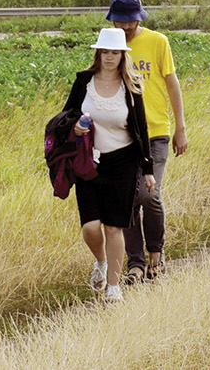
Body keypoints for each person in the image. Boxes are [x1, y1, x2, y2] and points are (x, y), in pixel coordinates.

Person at [63, 27, 155, 304]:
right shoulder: (83, 82)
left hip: (123, 162)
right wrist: (75, 126)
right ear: (98, 53)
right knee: (90, 227)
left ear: (123, 55)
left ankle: (113, 287)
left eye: (115, 52)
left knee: (114, 227)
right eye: (105, 51)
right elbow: (65, 115)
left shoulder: (132, 85)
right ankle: (101, 262)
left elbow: (141, 127)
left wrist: (147, 168)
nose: (110, 57)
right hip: (88, 162)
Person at [107, 0, 186, 284]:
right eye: (120, 22)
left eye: (131, 22)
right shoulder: (109, 45)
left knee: (149, 194)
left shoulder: (157, 42)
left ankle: (156, 253)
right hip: (120, 135)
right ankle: (135, 264)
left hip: (155, 132)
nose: (126, 28)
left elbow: (172, 84)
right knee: (128, 199)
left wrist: (180, 127)